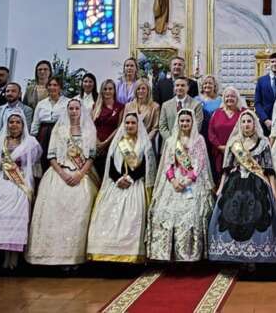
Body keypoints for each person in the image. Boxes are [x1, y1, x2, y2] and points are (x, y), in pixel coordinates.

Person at [27, 99, 99, 267]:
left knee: (79, 209)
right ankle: (50, 255)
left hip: (81, 173)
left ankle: (74, 257)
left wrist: (80, 174)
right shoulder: (59, 129)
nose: (73, 111)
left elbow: (91, 156)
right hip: (60, 172)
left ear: (81, 111)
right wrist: (63, 174)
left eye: (76, 108)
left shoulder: (89, 130)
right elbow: (51, 156)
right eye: (70, 108)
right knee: (53, 210)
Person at [208, 109, 276, 264]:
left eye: (249, 121)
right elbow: (226, 168)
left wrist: (274, 191)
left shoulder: (263, 143)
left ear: (254, 124)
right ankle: (236, 255)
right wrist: (221, 188)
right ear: (239, 125)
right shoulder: (234, 144)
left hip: (258, 184)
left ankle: (254, 256)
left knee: (258, 215)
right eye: (243, 122)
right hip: (235, 183)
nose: (246, 124)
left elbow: (269, 169)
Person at [87, 112, 157, 263]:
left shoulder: (144, 144)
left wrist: (130, 178)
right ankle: (106, 253)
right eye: (127, 123)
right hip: (116, 184)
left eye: (133, 123)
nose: (130, 125)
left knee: (133, 217)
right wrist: (118, 179)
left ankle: (130, 255)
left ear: (138, 125)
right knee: (106, 214)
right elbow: (111, 165)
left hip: (135, 184)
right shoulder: (118, 142)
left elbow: (145, 166)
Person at [0, 112, 43, 270]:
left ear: (23, 125)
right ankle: (4, 256)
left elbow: (33, 163)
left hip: (20, 182)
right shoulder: (0, 141)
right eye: (11, 122)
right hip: (2, 180)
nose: (14, 125)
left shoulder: (30, 142)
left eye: (17, 122)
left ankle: (14, 257)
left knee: (17, 217)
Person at [147, 108, 214, 262]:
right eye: (182, 121)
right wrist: (173, 181)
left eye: (187, 121)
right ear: (178, 122)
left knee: (192, 213)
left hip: (193, 181)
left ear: (192, 122)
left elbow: (199, 163)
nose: (184, 123)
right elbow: (167, 163)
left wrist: (188, 180)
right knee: (164, 212)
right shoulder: (171, 141)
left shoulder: (199, 140)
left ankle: (189, 255)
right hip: (174, 181)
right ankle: (167, 253)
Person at [31, 76, 69, 168]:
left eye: (55, 85)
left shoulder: (68, 102)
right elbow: (35, 122)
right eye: (50, 85)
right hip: (44, 133)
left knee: (57, 158)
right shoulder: (41, 103)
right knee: (43, 158)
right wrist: (32, 138)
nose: (52, 87)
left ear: (60, 87)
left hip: (60, 132)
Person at [207, 86, 242, 183]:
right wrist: (219, 146)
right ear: (223, 98)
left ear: (237, 98)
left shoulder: (243, 112)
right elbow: (211, 131)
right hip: (219, 151)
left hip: (238, 152)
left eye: (232, 96)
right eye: (227, 96)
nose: (229, 98)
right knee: (220, 177)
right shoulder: (217, 113)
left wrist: (233, 147)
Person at [158, 75, 204, 142]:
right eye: (177, 85)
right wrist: (172, 140)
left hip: (189, 143)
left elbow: (197, 126)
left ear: (188, 88)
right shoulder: (166, 105)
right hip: (169, 143)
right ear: (174, 88)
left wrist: (185, 140)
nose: (179, 88)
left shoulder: (196, 105)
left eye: (182, 85)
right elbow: (162, 126)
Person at [94, 78, 124, 178]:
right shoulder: (96, 106)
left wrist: (105, 143)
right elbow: (91, 127)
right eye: (105, 89)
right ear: (102, 91)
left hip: (112, 143)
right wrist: (98, 143)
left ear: (114, 90)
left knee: (110, 174)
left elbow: (119, 127)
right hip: (96, 145)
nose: (107, 91)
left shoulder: (120, 107)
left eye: (110, 89)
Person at [254, 52, 276, 134]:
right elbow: (257, 103)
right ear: (269, 64)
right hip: (265, 123)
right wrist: (265, 119)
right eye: (272, 61)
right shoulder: (261, 81)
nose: (274, 64)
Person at [124, 78, 160, 146]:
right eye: (138, 88)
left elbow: (155, 128)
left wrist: (145, 141)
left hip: (147, 142)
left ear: (148, 90)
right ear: (135, 90)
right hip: (130, 143)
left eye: (143, 88)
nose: (141, 91)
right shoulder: (128, 106)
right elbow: (124, 125)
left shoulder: (155, 106)